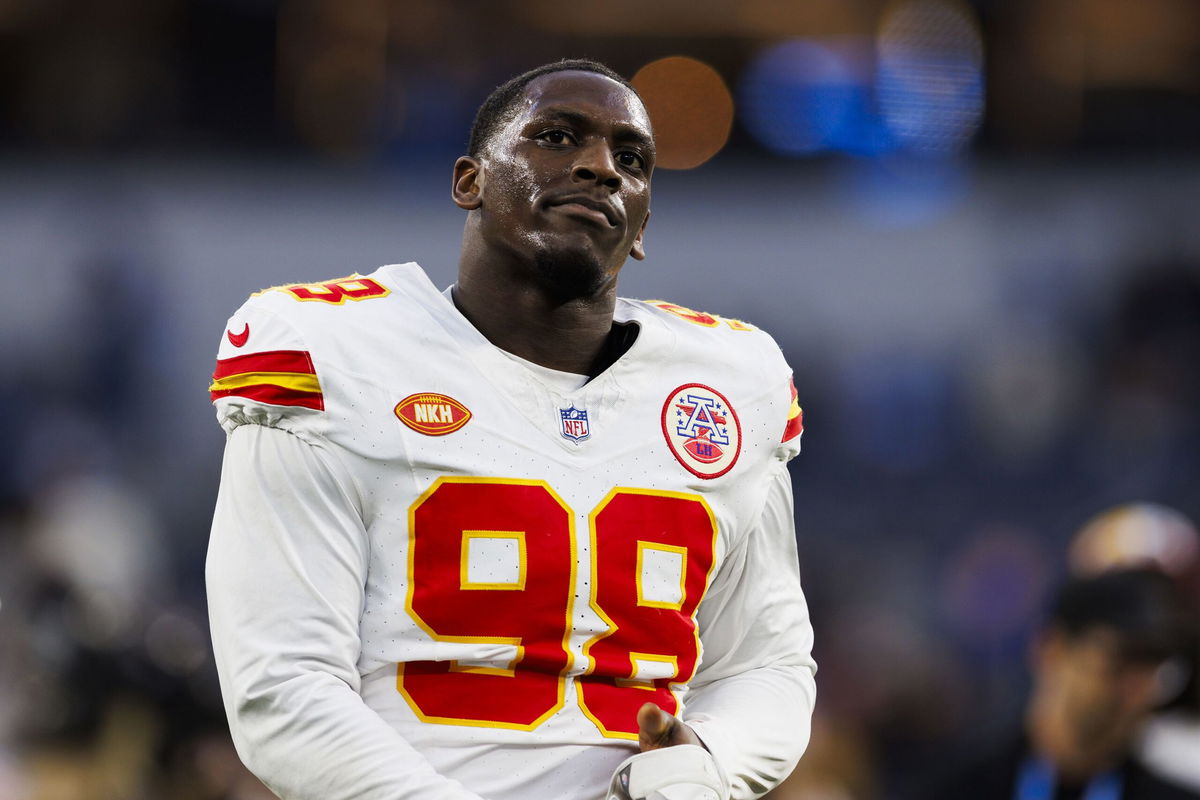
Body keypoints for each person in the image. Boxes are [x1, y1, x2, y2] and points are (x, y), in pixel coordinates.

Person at [205, 59, 816, 800]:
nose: (598, 167)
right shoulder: (333, 352)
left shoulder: (728, 381)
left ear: (644, 223)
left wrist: (708, 761)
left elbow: (765, 664)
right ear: (470, 182)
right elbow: (282, 685)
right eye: (558, 138)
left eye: (631, 161)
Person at [926, 568, 1199, 800]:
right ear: (1052, 650)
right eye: (1123, 661)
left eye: (1157, 668)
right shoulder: (956, 787)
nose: (1142, 690)